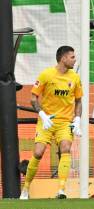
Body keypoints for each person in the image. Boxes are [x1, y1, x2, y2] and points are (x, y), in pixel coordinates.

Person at [20, 46, 83, 200]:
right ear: (63, 58)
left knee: (66, 148)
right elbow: (33, 98)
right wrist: (42, 114)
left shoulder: (74, 77)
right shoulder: (46, 75)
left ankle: (61, 189)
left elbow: (78, 101)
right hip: (46, 121)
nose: (75, 60)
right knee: (38, 152)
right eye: (72, 57)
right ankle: (26, 188)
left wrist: (77, 119)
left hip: (65, 122)